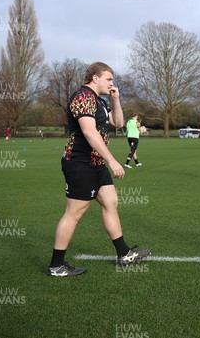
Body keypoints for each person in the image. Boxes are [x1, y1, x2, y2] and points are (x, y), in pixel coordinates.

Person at [47, 62, 150, 277]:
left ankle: (124, 253)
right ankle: (56, 265)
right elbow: (89, 132)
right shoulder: (82, 97)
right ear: (95, 78)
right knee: (74, 213)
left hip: (95, 163)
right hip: (79, 162)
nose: (112, 83)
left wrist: (115, 99)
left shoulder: (100, 101)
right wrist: (112, 160)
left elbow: (118, 123)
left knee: (110, 202)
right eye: (109, 79)